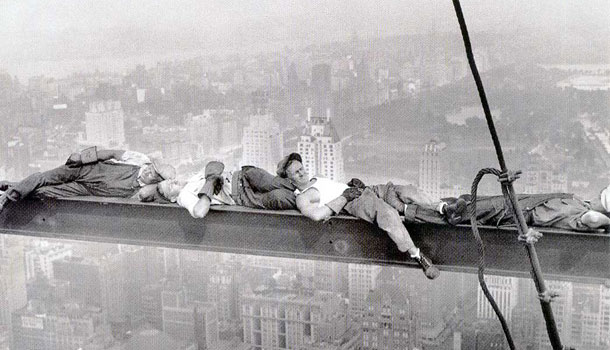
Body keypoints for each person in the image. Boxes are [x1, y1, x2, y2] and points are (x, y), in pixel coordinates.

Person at [277, 153, 440, 280]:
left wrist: (350, 184)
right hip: (354, 201)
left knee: (408, 192)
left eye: (302, 168)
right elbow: (317, 215)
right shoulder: (303, 197)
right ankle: (418, 256)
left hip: (366, 190)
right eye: (297, 173)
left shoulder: (316, 178)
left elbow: (332, 188)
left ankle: (441, 207)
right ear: (290, 181)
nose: (302, 173)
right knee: (389, 215)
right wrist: (345, 197)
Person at [0, 147, 175, 212]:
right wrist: (83, 158)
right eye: (151, 169)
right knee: (43, 178)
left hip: (86, 189)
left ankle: (12, 186)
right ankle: (7, 198)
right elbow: (111, 153)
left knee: (43, 191)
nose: (148, 173)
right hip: (85, 170)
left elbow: (150, 195)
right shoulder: (138, 159)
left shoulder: (143, 190)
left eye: (153, 175)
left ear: (156, 181)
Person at [399, 190, 610, 232]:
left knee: (460, 214)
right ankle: (409, 206)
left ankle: (408, 210)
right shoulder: (576, 201)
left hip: (514, 214)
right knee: (462, 204)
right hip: (513, 203)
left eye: (601, 198)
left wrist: (606, 222)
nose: (596, 196)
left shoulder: (582, 216)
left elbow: (592, 219)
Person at [155, 161, 296, 218]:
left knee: (278, 184)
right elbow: (199, 212)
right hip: (242, 195)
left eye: (170, 180)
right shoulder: (184, 196)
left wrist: (213, 175)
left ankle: (305, 190)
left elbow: (215, 164)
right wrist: (210, 184)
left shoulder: (191, 179)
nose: (173, 181)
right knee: (279, 197)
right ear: (172, 198)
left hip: (243, 176)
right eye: (170, 186)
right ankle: (305, 197)